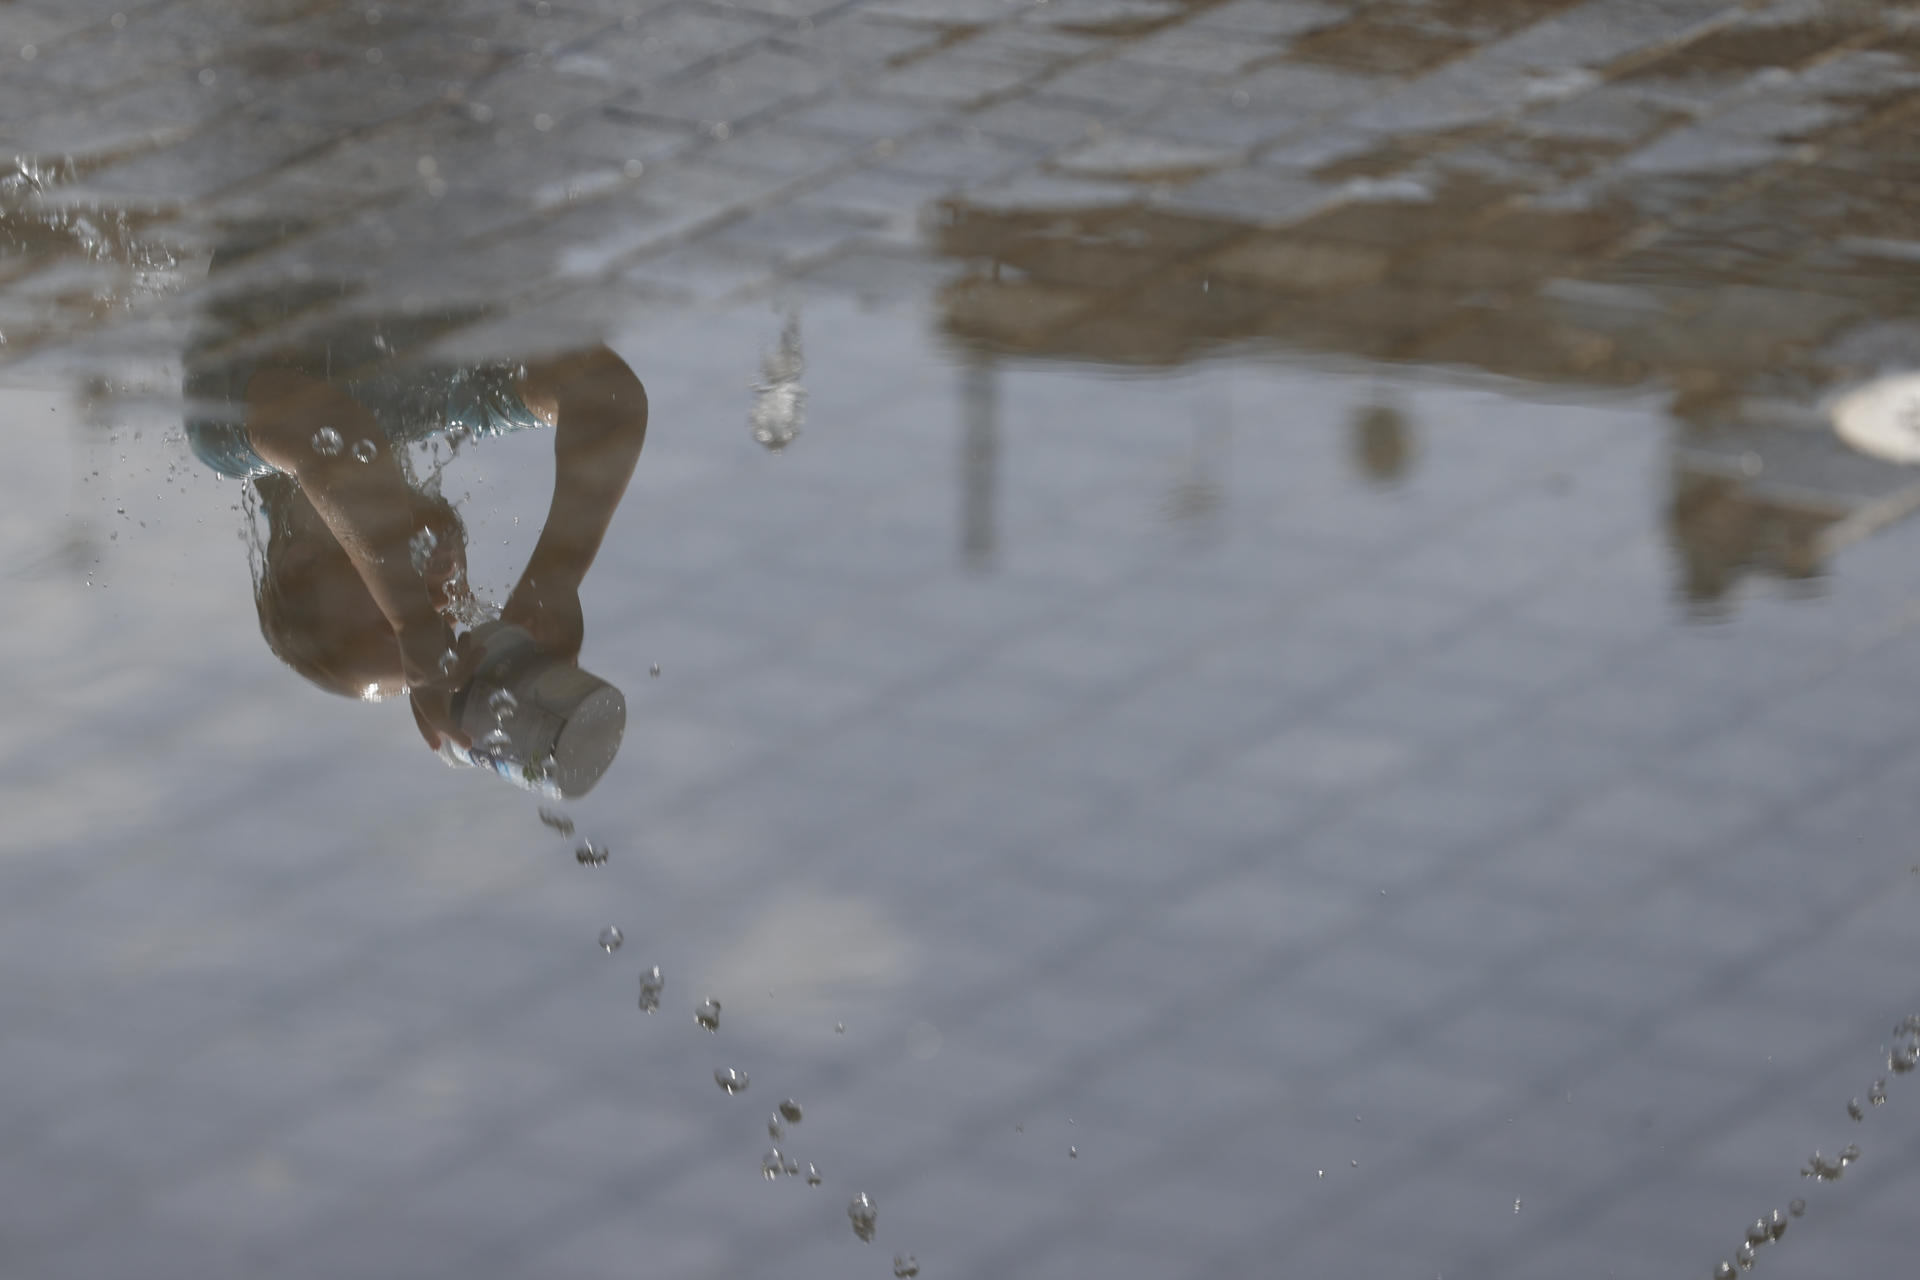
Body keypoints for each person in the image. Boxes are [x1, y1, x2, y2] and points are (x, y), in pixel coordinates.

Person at [183, 288, 648, 794]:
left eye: (389, 622)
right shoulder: (453, 396)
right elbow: (606, 393)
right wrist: (555, 578)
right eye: (446, 628)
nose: (442, 608)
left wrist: (411, 620)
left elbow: (332, 437)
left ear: (298, 566)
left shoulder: (227, 439)